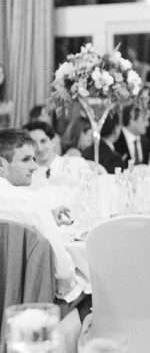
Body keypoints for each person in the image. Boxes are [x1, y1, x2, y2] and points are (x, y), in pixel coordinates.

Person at [0, 129, 80, 300]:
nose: (35, 166)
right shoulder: (31, 203)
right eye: (25, 159)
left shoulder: (28, 207)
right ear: (1, 164)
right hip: (27, 303)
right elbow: (64, 273)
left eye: (34, 159)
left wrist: (47, 217)